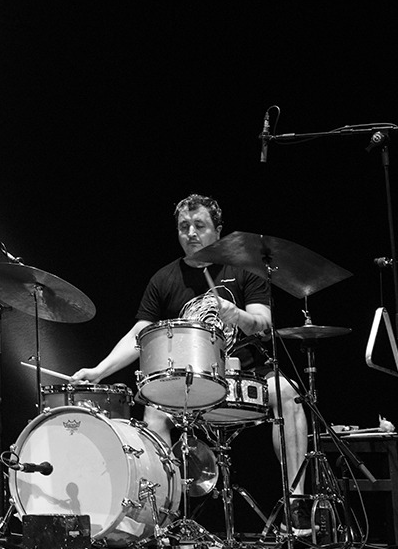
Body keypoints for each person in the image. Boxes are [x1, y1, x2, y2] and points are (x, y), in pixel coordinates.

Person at [72, 194, 309, 507]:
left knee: (288, 393)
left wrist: (235, 315)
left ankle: (297, 501)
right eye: (184, 226)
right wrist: (98, 371)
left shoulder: (245, 270)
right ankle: (162, 511)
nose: (191, 233)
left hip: (247, 374)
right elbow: (138, 335)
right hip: (192, 380)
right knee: (155, 410)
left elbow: (263, 323)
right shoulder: (164, 279)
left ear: (218, 231)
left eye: (199, 225)